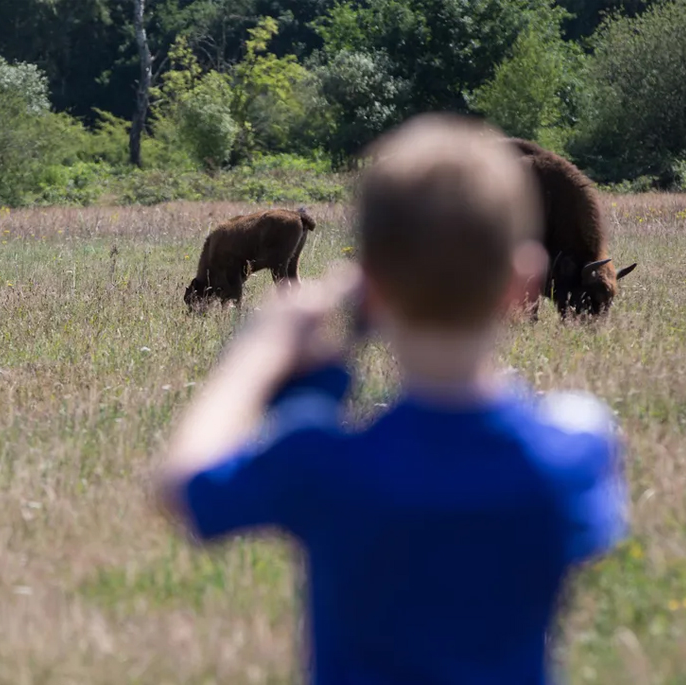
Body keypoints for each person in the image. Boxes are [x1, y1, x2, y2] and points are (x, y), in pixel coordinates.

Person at [155, 113, 629, 684]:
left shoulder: (319, 460)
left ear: (369, 286)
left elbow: (185, 485)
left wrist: (263, 354)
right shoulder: (577, 449)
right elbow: (584, 438)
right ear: (524, 280)